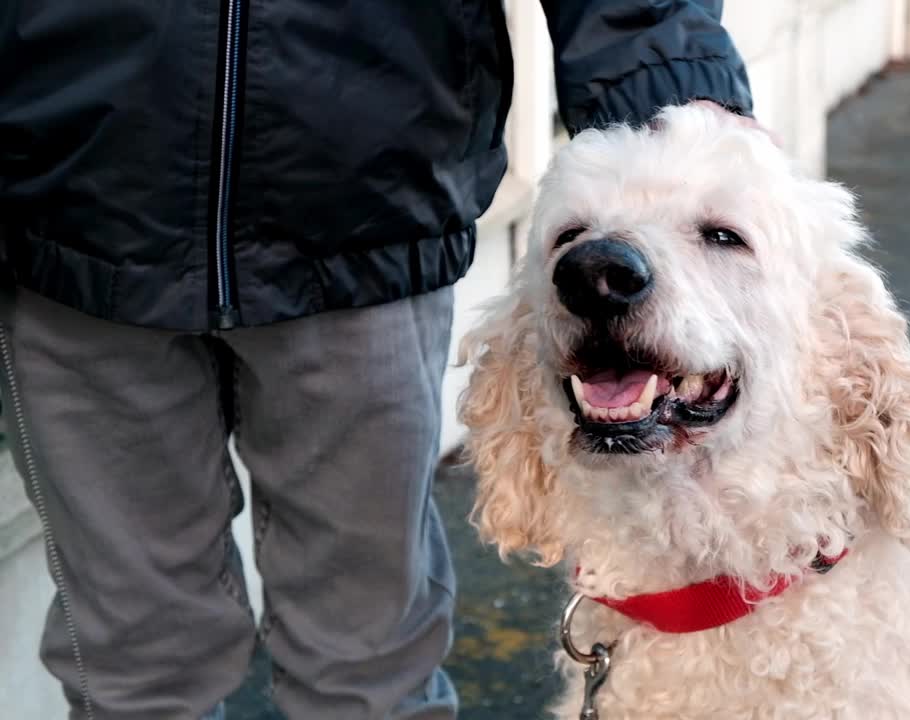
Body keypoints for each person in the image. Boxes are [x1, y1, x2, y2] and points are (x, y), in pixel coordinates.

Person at [0, 2, 754, 718]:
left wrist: (683, 103)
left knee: (367, 660)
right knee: (134, 667)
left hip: (363, 193)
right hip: (71, 197)